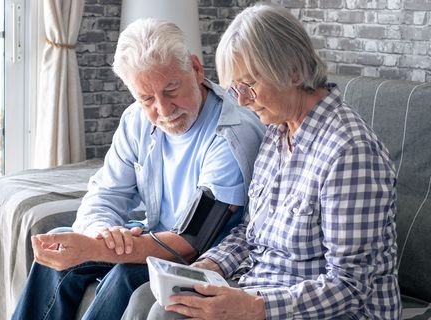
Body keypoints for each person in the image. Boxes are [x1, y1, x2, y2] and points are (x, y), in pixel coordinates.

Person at [122, 3, 401, 320]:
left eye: (249, 85)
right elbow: (249, 234)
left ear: (292, 70)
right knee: (147, 296)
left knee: (168, 315)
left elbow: (350, 287)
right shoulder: (277, 132)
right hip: (261, 288)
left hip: (326, 311)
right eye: (235, 88)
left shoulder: (350, 153)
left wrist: (255, 308)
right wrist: (206, 267)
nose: (240, 101)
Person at [11, 18, 265, 320]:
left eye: (172, 90)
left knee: (126, 274)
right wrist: (102, 234)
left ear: (196, 70)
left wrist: (99, 250)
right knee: (58, 243)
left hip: (204, 256)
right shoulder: (136, 120)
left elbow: (188, 243)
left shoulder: (232, 133)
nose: (164, 109)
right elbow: (105, 193)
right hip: (155, 239)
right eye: (147, 98)